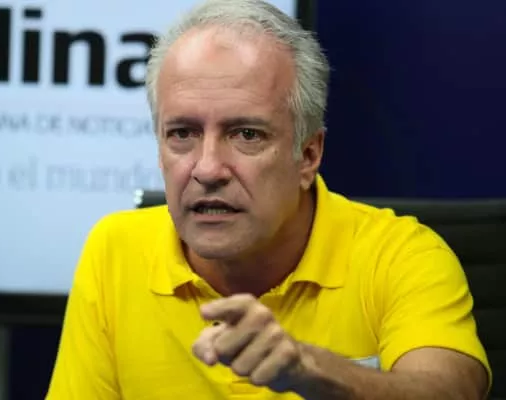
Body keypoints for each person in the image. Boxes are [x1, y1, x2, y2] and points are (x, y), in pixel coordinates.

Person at [46, 0, 491, 398]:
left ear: (308, 155)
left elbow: (449, 390)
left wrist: (312, 373)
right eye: (182, 133)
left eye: (246, 134)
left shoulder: (400, 257)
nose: (207, 169)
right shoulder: (115, 249)